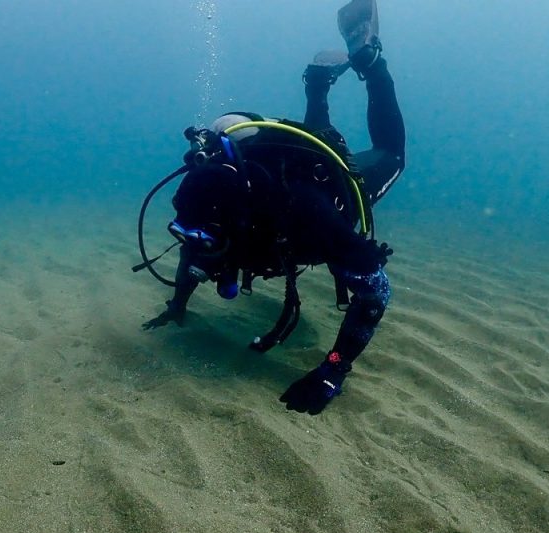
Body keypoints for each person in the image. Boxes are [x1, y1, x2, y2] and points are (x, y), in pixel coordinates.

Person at [141, 0, 404, 415]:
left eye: (203, 235)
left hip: (323, 193)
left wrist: (333, 370)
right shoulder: (206, 204)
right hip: (275, 190)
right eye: (189, 233)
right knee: (318, 128)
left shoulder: (302, 213)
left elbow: (377, 289)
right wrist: (177, 307)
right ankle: (316, 85)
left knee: (391, 154)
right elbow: (195, 248)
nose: (198, 247)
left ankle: (371, 63)